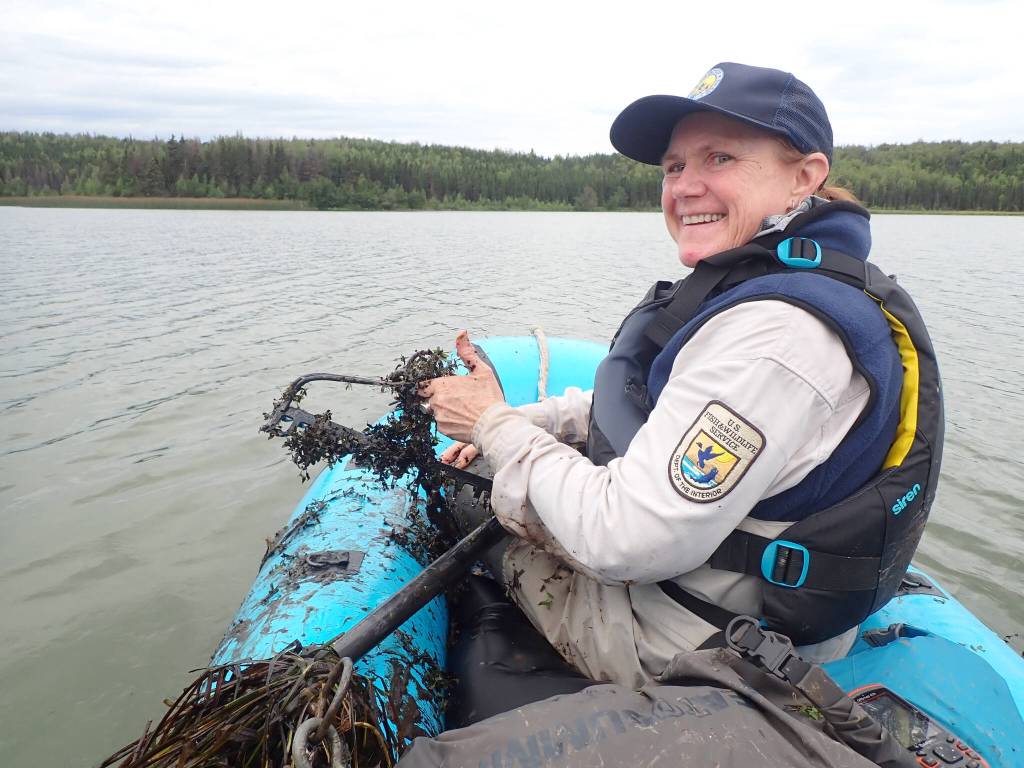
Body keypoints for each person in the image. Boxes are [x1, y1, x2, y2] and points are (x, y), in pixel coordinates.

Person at [420, 62, 941, 690]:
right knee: (504, 457)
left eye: (719, 158)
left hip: (694, 640)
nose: (685, 187)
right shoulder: (784, 278)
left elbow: (623, 541)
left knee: (468, 487)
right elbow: (653, 403)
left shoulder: (777, 338)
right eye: (674, 166)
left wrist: (492, 426)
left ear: (804, 177)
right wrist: (534, 422)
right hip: (745, 600)